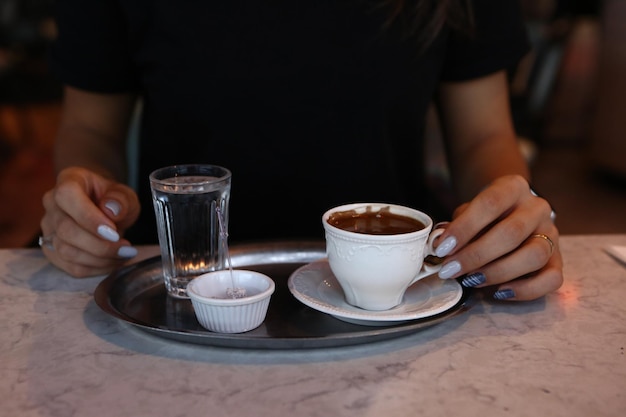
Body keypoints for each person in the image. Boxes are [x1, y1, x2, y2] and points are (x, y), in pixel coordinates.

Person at [40, 0, 563, 301]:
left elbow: (482, 138)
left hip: (400, 296)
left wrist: (508, 221)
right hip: (185, 292)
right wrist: (90, 206)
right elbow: (92, 129)